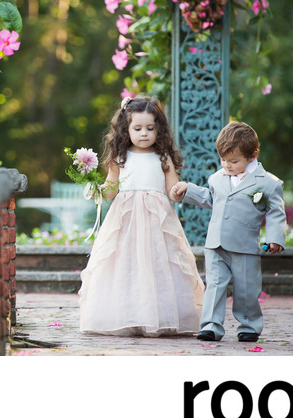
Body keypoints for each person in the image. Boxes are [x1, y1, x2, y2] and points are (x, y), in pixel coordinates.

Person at [78, 97, 203, 337]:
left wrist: (180, 190)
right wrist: (95, 187)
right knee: (125, 265)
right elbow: (111, 189)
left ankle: (155, 317)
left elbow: (172, 191)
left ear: (159, 129)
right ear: (126, 129)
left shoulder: (163, 157)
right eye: (137, 129)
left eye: (150, 128)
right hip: (125, 220)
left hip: (157, 221)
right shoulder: (120, 157)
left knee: (156, 265)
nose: (144, 134)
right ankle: (126, 316)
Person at [170, 121, 287, 342]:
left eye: (233, 161)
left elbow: (275, 212)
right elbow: (212, 199)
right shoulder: (217, 178)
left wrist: (274, 237)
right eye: (223, 159)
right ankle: (211, 326)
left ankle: (249, 326)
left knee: (246, 289)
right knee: (214, 285)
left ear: (252, 156)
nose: (227, 165)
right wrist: (188, 190)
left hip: (244, 245)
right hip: (216, 243)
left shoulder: (268, 183)